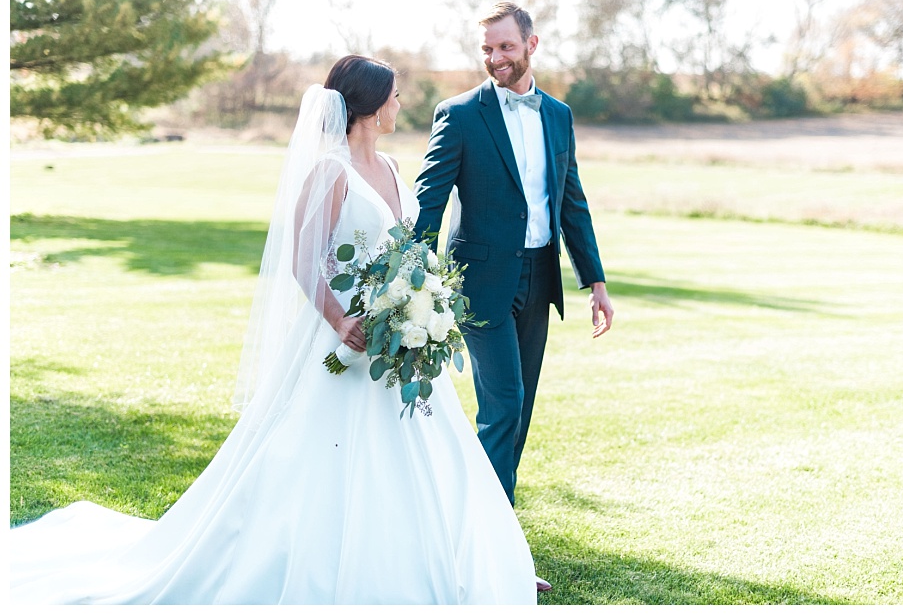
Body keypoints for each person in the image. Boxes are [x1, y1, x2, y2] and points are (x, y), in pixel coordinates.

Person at [9, 55, 538, 605]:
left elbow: (403, 249)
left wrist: (419, 300)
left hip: (397, 335)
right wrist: (341, 320)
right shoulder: (330, 172)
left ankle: (477, 559)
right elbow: (305, 260)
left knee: (437, 451)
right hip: (342, 339)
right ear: (370, 104)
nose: (401, 105)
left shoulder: (395, 170)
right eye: (396, 96)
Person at [414, 2, 614, 516]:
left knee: (518, 410)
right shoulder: (457, 114)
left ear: (531, 44)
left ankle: (489, 533)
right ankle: (490, 542)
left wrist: (595, 281)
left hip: (539, 276)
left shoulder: (558, 115)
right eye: (487, 49)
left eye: (505, 46)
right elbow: (430, 199)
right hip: (477, 280)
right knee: (502, 405)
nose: (496, 58)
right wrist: (414, 274)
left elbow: (571, 200)